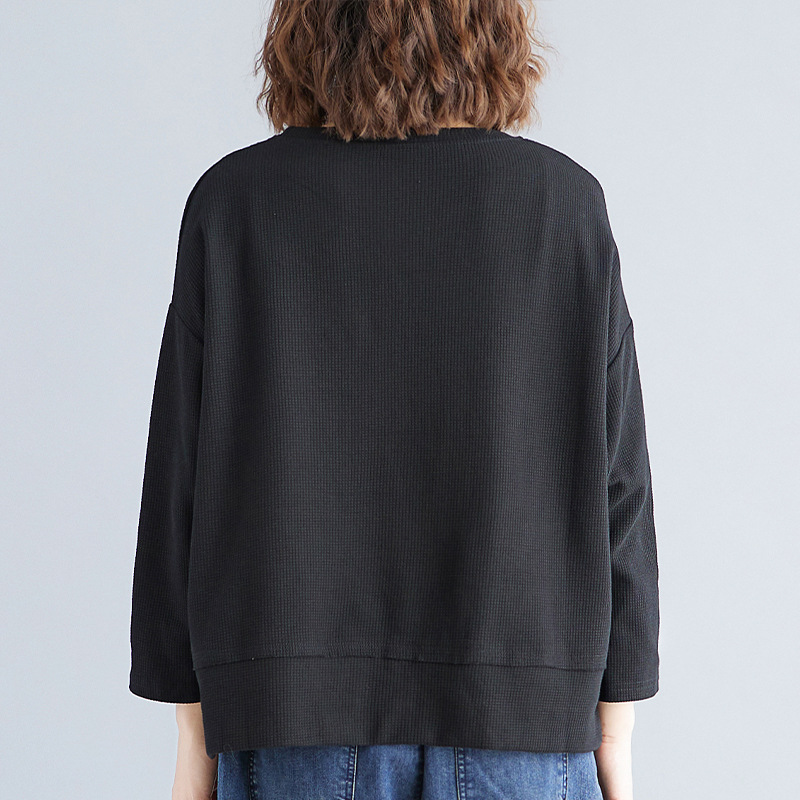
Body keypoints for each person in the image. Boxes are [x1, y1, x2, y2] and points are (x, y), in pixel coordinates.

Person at [128, 1, 660, 799]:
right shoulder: (562, 206)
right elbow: (618, 484)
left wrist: (192, 732)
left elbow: (181, 482)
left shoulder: (234, 203)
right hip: (523, 726)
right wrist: (616, 726)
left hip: (291, 724)